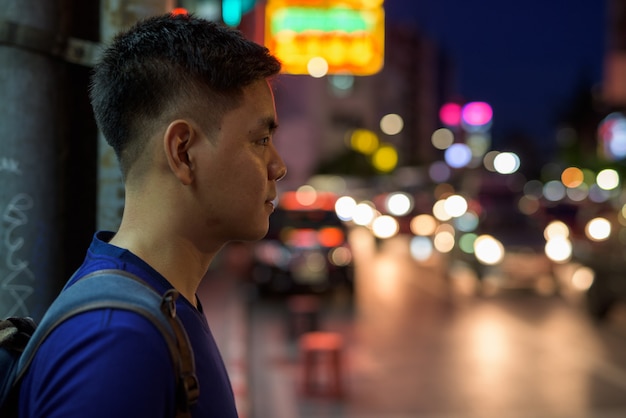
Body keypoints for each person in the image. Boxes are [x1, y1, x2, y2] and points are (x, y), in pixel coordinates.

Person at [18, 12, 286, 418]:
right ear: (183, 152)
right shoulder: (115, 344)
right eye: (261, 140)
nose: (278, 166)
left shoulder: (160, 305)